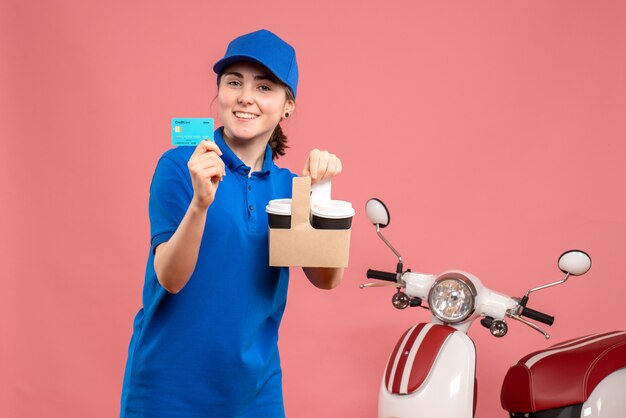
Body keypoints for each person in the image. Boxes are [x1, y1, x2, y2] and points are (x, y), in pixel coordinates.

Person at [120, 29, 344, 417]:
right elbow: (170, 278)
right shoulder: (179, 167)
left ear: (287, 105)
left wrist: (317, 195)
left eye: (264, 87)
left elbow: (326, 279)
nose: (245, 97)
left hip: (254, 393)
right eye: (234, 82)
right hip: (167, 388)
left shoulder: (290, 187)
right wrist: (200, 204)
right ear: (220, 92)